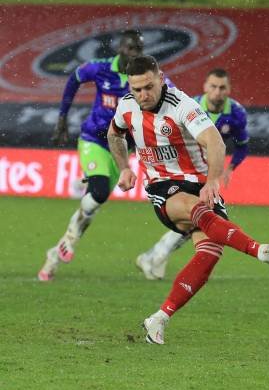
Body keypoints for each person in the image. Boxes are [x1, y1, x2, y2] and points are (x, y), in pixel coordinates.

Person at [107, 55, 269, 345]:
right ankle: (261, 251)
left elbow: (215, 141)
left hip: (198, 182)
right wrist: (124, 168)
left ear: (160, 77)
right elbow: (114, 134)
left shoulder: (183, 105)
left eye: (148, 87)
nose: (143, 95)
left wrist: (213, 180)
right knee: (194, 209)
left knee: (208, 255)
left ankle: (159, 319)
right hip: (163, 186)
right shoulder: (127, 106)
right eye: (137, 89)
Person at [37, 29, 186, 281]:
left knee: (95, 202)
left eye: (138, 49)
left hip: (120, 147)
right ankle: (68, 242)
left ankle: (57, 251)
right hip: (93, 140)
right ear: (120, 49)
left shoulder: (146, 78)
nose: (134, 53)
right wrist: (62, 118)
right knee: (99, 191)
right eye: (130, 48)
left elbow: (171, 92)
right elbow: (73, 79)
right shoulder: (99, 68)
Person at [136, 68, 249, 279]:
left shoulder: (237, 114)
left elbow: (242, 146)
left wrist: (230, 168)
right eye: (213, 86)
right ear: (205, 87)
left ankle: (154, 256)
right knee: (202, 216)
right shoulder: (190, 105)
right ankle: (156, 256)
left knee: (202, 217)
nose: (217, 92)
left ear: (229, 90)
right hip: (184, 169)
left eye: (222, 87)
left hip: (209, 170)